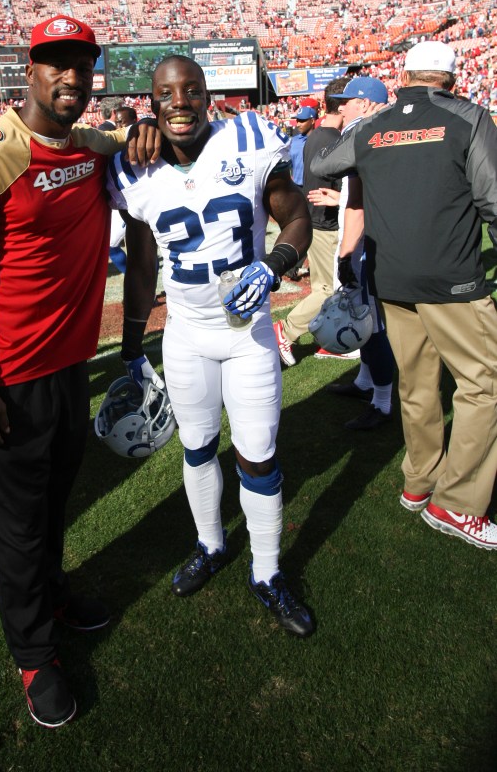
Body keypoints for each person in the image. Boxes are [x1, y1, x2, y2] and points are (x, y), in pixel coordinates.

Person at [0, 15, 152, 729]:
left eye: (80, 66)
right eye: (55, 64)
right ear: (30, 70)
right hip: (3, 382)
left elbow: (146, 148)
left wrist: (145, 128)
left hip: (66, 370)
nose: (69, 78)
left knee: (51, 505)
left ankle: (49, 594)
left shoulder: (89, 146)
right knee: (14, 528)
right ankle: (32, 655)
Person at [108, 55, 314, 638]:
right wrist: (131, 347)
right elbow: (143, 261)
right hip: (187, 335)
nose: (180, 102)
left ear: (207, 96)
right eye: (167, 93)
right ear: (151, 102)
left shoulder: (247, 138)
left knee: (258, 455)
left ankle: (268, 572)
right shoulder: (135, 170)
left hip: (246, 333)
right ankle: (211, 543)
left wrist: (274, 265)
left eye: (191, 90)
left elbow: (296, 212)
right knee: (197, 447)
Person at [312, 41, 497, 549]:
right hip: (452, 280)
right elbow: (494, 199)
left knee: (418, 385)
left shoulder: (374, 125)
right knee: (484, 387)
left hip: (390, 279)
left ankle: (419, 482)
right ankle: (457, 503)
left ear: (406, 74)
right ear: (452, 77)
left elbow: (326, 164)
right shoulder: (471, 118)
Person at [309, 76, 396, 430]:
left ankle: (383, 402)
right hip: (378, 235)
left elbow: (358, 200)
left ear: (363, 103)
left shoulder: (362, 132)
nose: (339, 106)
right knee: (368, 319)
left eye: (346, 100)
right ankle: (365, 382)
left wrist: (346, 255)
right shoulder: (382, 128)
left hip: (365, 243)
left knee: (370, 324)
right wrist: (338, 198)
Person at [274, 83, 344, 366]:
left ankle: (327, 338)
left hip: (316, 220)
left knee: (325, 288)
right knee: (328, 289)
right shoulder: (329, 138)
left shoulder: (315, 137)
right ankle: (287, 330)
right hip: (324, 223)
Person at [288, 104, 315, 188]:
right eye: (297, 121)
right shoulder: (293, 141)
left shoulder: (320, 139)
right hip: (296, 187)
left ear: (312, 121)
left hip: (314, 187)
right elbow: (288, 163)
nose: (298, 124)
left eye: (302, 121)